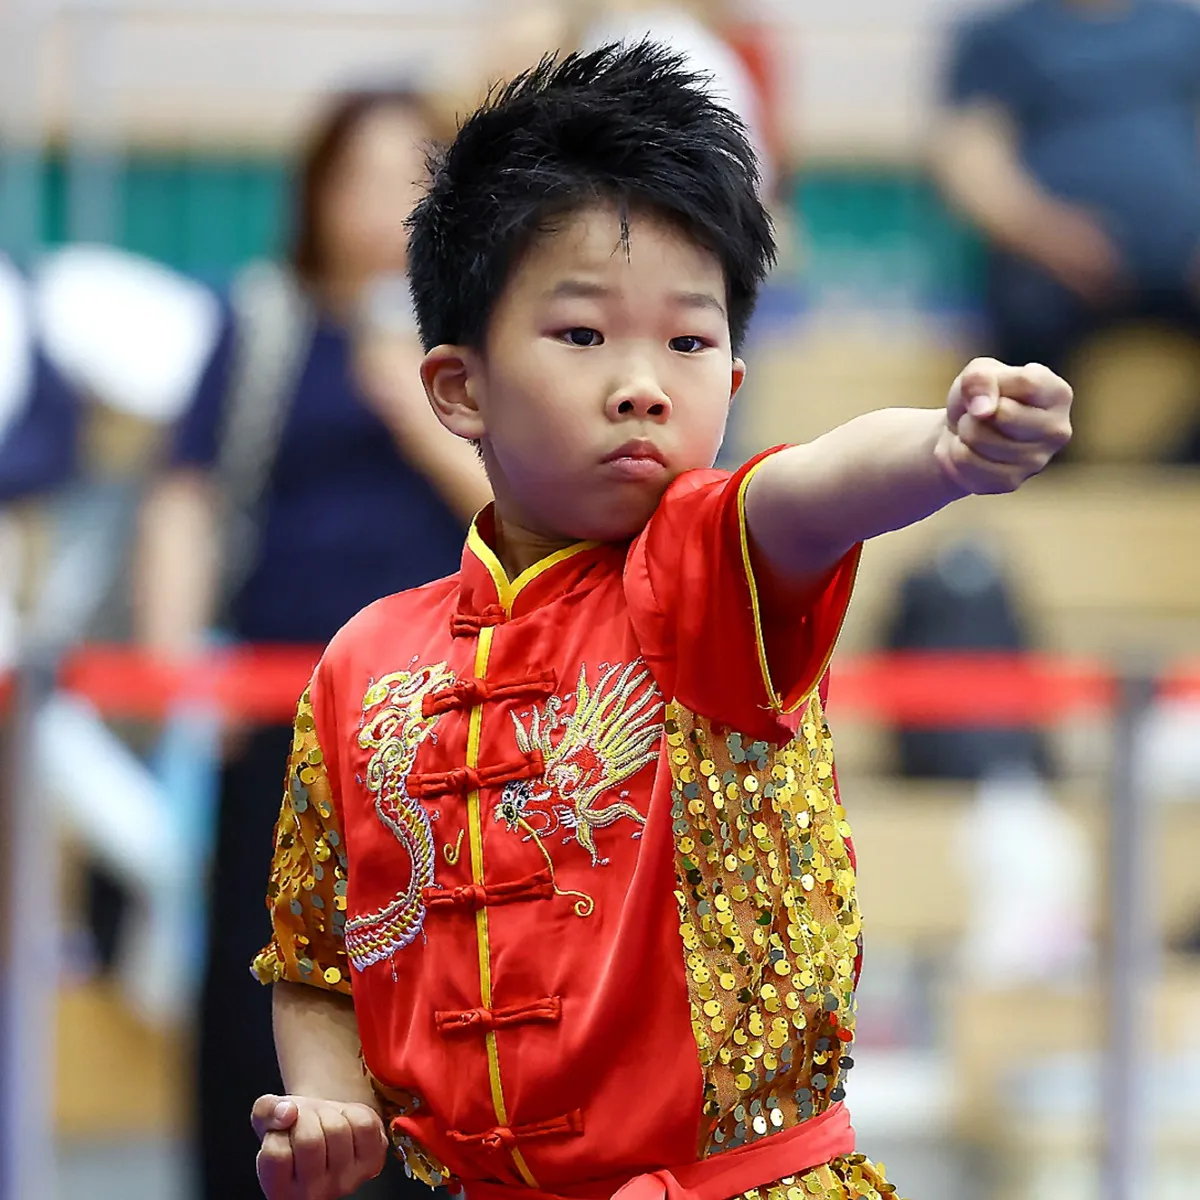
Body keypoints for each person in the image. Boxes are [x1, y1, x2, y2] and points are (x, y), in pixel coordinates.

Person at [248, 43, 1072, 1200]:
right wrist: (331, 1101)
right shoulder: (362, 664)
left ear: (733, 380)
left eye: (689, 341)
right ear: (459, 388)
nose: (643, 381)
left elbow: (819, 485)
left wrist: (943, 450)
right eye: (583, 336)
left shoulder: (706, 569)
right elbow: (319, 965)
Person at [134, 85, 490, 1200]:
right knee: (262, 956)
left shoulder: (473, 334)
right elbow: (188, 495)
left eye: (406, 180)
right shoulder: (264, 322)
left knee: (425, 961)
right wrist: (168, 664)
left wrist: (412, 407)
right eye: (356, 177)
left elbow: (521, 510)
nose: (377, 204)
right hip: (274, 708)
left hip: (439, 716)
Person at [931, 0, 1200, 458]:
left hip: (1183, 261)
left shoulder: (1184, 31)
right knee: (1024, 316)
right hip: (1050, 261)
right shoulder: (1002, 37)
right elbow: (970, 155)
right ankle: (1039, 472)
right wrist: (1043, 232)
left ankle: (1177, 473)